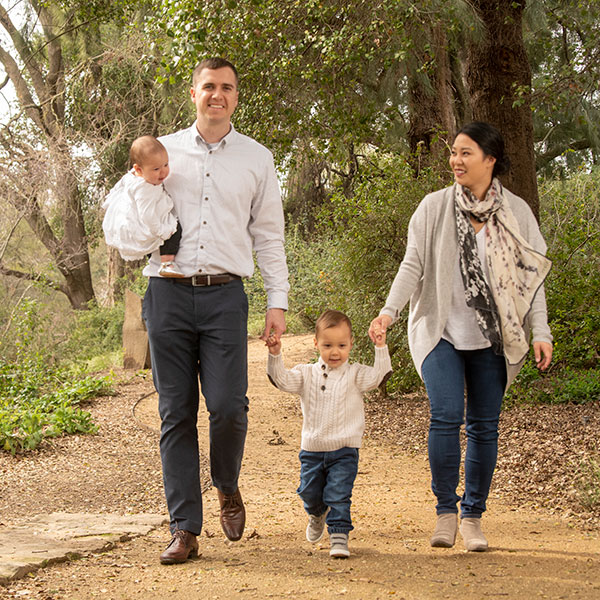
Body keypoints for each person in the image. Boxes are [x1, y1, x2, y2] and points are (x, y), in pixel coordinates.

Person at [369, 122, 552, 552]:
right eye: (453, 153)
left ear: (490, 159)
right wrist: (389, 311)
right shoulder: (434, 207)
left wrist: (540, 330)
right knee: (446, 415)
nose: (456, 160)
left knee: (485, 426)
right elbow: (411, 265)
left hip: (495, 337)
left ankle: (473, 516)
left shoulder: (517, 212)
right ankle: (445, 513)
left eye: (466, 153)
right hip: (440, 331)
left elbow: (533, 279)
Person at [142, 58, 289, 564]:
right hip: (167, 295)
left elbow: (269, 235)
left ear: (236, 96)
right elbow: (132, 207)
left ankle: (226, 482)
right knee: (174, 411)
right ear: (193, 93)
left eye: (227, 87)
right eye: (209, 87)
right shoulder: (162, 151)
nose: (217, 95)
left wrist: (277, 301)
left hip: (226, 296)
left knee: (229, 405)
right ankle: (184, 526)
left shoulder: (257, 159)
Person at [266, 310, 392, 558]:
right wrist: (275, 354)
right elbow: (280, 379)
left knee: (339, 494)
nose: (335, 352)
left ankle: (339, 536)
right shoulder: (306, 374)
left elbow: (379, 376)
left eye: (342, 345)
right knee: (309, 493)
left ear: (351, 344)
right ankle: (315, 514)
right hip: (312, 450)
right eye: (328, 345)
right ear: (316, 344)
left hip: (344, 449)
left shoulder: (355, 374)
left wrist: (380, 347)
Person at [102, 135, 184, 277]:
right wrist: (161, 231)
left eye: (166, 165)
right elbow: (147, 215)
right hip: (145, 222)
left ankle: (158, 258)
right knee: (174, 228)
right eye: (156, 169)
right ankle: (167, 263)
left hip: (138, 218)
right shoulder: (145, 189)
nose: (163, 172)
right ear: (139, 170)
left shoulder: (134, 177)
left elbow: (119, 186)